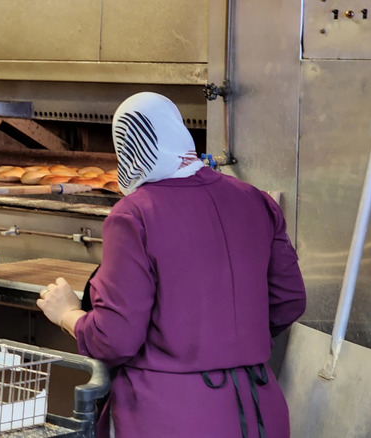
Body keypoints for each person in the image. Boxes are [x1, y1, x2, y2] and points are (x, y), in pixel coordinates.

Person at [36, 92, 306, 437]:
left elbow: (116, 337)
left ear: (127, 149)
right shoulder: (256, 200)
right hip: (258, 412)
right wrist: (229, 339)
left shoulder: (134, 216)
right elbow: (289, 300)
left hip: (169, 416)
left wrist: (67, 314)